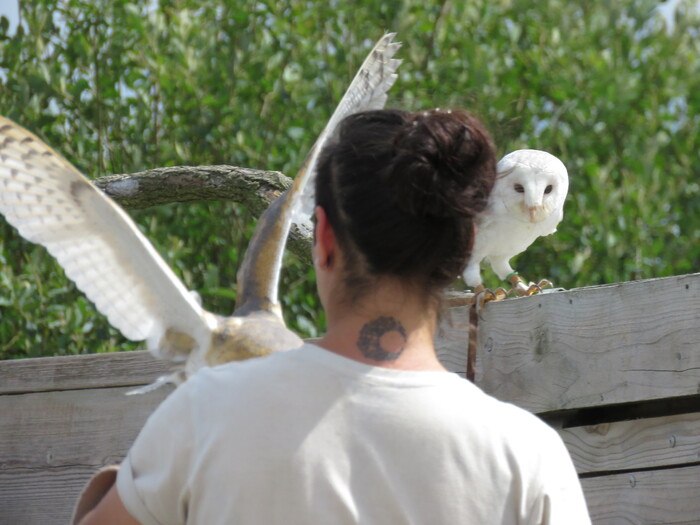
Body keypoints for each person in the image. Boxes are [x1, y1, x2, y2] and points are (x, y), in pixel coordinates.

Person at [75, 109, 592, 524]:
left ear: (322, 240)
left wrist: (129, 485)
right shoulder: (529, 459)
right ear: (458, 251)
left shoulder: (204, 412)